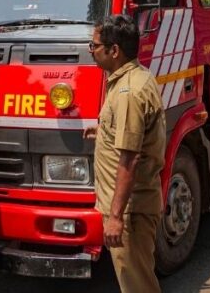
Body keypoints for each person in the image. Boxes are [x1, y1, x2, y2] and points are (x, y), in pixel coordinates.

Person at [83, 15, 166, 293]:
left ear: (114, 50)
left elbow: (130, 159)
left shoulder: (128, 93)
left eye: (94, 46)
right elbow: (132, 135)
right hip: (133, 207)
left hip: (130, 212)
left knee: (138, 286)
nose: (90, 51)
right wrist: (103, 132)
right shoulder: (135, 78)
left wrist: (116, 217)